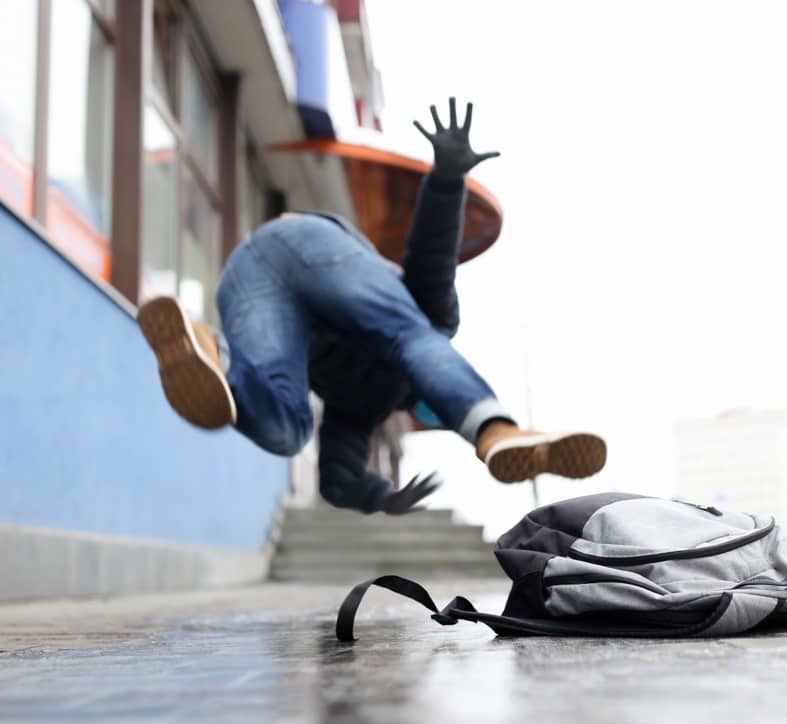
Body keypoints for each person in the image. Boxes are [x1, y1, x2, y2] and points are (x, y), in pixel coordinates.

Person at [137, 99, 605, 514]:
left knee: (287, 428)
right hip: (313, 245)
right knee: (416, 335)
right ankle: (495, 430)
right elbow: (430, 258)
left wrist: (378, 497)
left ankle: (209, 352)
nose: (428, 410)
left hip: (249, 277)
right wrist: (445, 181)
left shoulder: (358, 412)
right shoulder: (434, 323)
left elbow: (336, 477)